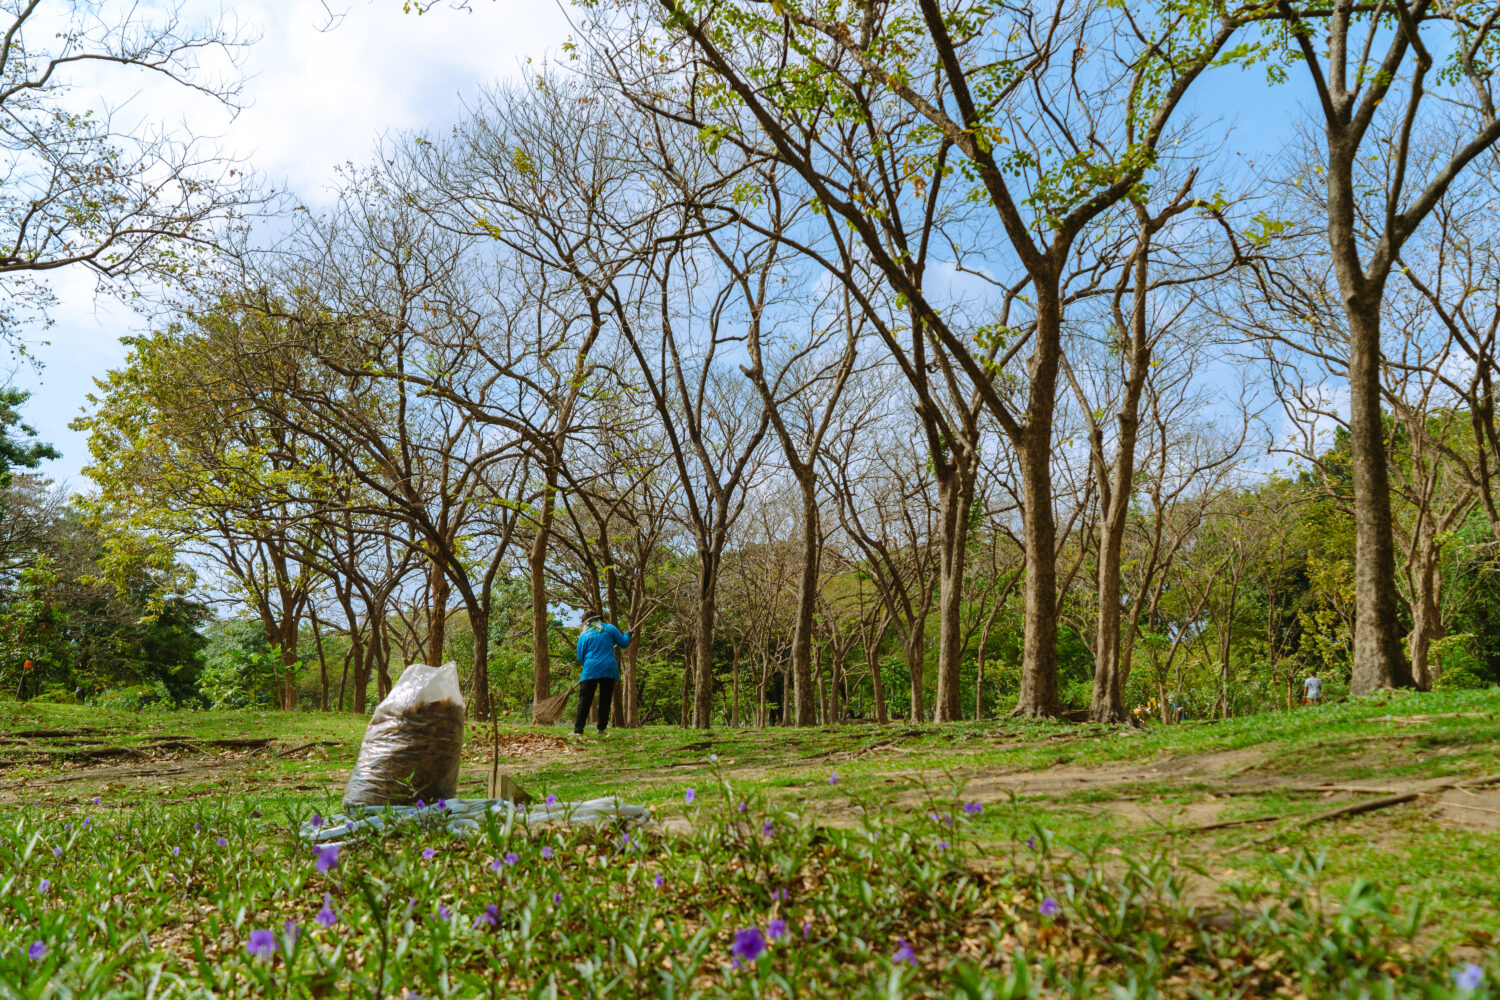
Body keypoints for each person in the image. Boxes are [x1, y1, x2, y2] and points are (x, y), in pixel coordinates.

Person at [573, 609, 631, 738]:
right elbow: (624, 643)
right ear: (598, 619)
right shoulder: (610, 628)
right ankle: (601, 728)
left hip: (590, 669)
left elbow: (580, 657)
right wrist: (628, 634)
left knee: (585, 700)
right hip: (608, 668)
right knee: (605, 699)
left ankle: (578, 729)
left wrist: (590, 662)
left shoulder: (583, 636)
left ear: (586, 622)